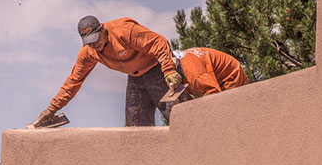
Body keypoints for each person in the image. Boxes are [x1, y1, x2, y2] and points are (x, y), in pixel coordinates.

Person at [36, 15, 184, 127]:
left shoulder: (123, 31)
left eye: (96, 39)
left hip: (157, 69)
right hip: (135, 77)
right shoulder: (88, 52)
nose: (94, 45)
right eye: (89, 42)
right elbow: (74, 80)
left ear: (102, 28)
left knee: (180, 116)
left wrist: (169, 70)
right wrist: (52, 108)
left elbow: (158, 42)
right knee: (135, 128)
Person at [172, 47, 248, 97]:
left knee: (228, 108)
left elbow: (212, 92)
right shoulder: (180, 63)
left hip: (231, 76)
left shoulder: (193, 73)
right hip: (220, 77)